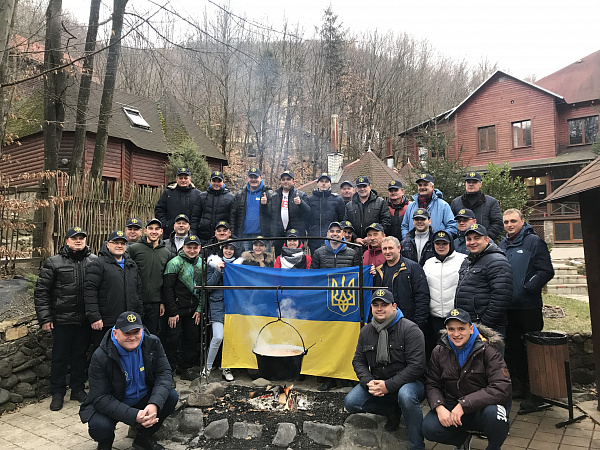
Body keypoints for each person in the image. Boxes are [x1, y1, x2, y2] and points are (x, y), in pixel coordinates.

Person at [79, 311, 178, 450]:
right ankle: (105, 443)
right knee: (99, 426)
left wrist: (154, 403)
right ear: (115, 333)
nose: (132, 337)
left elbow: (164, 373)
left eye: (136, 332)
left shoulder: (153, 343)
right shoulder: (100, 356)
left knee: (171, 396)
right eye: (127, 333)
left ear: (142, 330)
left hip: (142, 397)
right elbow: (100, 397)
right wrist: (134, 415)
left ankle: (143, 438)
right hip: (113, 401)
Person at [344, 288, 426, 449]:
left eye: (384, 305)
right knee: (351, 402)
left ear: (394, 306)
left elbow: (417, 366)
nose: (380, 308)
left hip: (409, 383)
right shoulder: (366, 331)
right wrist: (369, 382)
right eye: (376, 305)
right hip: (377, 381)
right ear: (372, 308)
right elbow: (358, 361)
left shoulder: (410, 329)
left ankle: (417, 445)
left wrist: (388, 386)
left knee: (406, 396)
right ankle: (391, 410)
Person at [422, 308, 511, 450]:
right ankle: (462, 440)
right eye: (451, 329)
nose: (456, 334)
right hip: (452, 405)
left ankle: (493, 447)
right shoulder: (439, 351)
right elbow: (432, 383)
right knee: (429, 428)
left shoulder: (488, 350)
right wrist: (439, 407)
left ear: (471, 328)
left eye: (461, 329)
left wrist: (465, 404)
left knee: (495, 417)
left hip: (481, 408)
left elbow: (501, 386)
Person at [34, 226, 97, 411]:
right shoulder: (54, 262)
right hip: (61, 320)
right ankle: (57, 393)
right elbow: (42, 292)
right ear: (67, 241)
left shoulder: (94, 262)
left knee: (80, 356)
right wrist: (45, 318)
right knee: (59, 358)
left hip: (84, 320)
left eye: (81, 238)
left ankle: (77, 389)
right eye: (74, 238)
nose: (78, 241)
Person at [499, 209, 554, 400]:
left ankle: (538, 390)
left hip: (528, 306)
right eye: (506, 222)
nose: (509, 225)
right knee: (513, 348)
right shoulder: (502, 245)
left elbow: (546, 270)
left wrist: (528, 287)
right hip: (508, 307)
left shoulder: (534, 242)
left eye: (513, 221)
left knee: (533, 348)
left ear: (522, 221)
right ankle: (519, 386)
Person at [311, 221, 361, 391]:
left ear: (343, 234)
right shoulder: (318, 252)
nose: (335, 234)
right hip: (324, 304)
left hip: (346, 304)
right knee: (326, 341)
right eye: (331, 231)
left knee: (347, 339)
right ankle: (329, 376)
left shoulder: (353, 252)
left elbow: (359, 275)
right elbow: (313, 278)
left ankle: (346, 374)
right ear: (327, 234)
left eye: (338, 231)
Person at [85, 230, 143, 353]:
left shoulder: (131, 265)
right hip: (106, 321)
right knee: (104, 353)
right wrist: (94, 317)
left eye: (122, 243)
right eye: (116, 242)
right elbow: (90, 291)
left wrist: (139, 314)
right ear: (108, 244)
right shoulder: (98, 264)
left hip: (128, 321)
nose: (119, 246)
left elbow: (138, 292)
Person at [454, 224, 513, 340]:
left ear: (486, 240)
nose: (472, 242)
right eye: (469, 239)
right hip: (469, 324)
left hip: (489, 328)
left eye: (477, 238)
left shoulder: (497, 261)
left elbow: (501, 298)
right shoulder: (468, 261)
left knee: (490, 358)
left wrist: (483, 326)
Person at [162, 235, 203, 380]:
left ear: (199, 248)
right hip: (176, 310)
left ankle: (185, 368)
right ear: (183, 248)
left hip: (193, 310)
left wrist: (199, 309)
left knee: (192, 338)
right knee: (173, 339)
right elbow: (167, 289)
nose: (192, 250)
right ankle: (169, 371)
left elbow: (204, 289)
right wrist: (172, 311)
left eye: (195, 247)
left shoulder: (201, 264)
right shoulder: (174, 263)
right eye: (189, 247)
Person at [423, 231, 467, 357]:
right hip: (434, 317)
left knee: (457, 350)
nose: (441, 246)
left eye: (444, 243)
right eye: (438, 243)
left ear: (451, 244)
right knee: (439, 351)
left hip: (456, 315)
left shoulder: (463, 259)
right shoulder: (428, 263)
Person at [372, 236, 429, 333]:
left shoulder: (413, 268)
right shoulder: (378, 271)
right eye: (384, 249)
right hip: (385, 325)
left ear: (399, 248)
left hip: (408, 323)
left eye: (390, 248)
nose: (387, 251)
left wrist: (418, 324)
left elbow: (422, 297)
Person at [128, 219, 173, 336]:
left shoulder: (166, 253)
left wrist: (162, 302)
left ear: (161, 231)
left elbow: (167, 280)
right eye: (151, 228)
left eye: (157, 229)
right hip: (136, 301)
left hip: (155, 303)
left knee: (151, 334)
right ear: (145, 231)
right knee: (133, 333)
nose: (154, 231)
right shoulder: (134, 249)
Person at [206, 241, 242, 381]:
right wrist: (218, 270)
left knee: (230, 339)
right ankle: (207, 368)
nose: (228, 251)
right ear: (222, 249)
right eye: (226, 248)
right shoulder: (212, 263)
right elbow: (208, 285)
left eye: (231, 249)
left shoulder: (239, 265)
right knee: (218, 337)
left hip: (233, 306)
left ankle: (226, 368)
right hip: (217, 305)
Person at [230, 167, 274, 252]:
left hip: (263, 236)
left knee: (264, 263)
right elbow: (233, 215)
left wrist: (266, 205)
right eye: (251, 177)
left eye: (256, 177)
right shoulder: (240, 194)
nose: (253, 180)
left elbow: (274, 216)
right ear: (247, 178)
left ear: (261, 178)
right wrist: (233, 234)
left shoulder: (269, 194)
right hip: (244, 236)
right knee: (245, 263)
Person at [451, 172, 503, 241]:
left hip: (484, 244)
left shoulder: (491, 202)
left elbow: (498, 223)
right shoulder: (456, 202)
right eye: (468, 182)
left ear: (480, 184)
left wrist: (483, 237)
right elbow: (452, 223)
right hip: (461, 244)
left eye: (474, 182)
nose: (471, 184)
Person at [401, 173, 457, 238]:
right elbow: (404, 226)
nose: (422, 187)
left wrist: (441, 239)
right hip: (414, 246)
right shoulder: (410, 206)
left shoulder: (443, 206)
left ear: (432, 187)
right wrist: (407, 239)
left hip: (435, 246)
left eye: (425, 185)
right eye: (420, 185)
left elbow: (452, 226)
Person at [269, 169, 310, 256]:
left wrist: (300, 203)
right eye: (283, 179)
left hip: (295, 236)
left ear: (293, 181)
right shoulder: (274, 196)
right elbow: (271, 218)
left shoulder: (301, 195)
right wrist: (272, 235)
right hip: (279, 236)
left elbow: (308, 213)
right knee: (279, 260)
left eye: (288, 179)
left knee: (297, 261)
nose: (285, 181)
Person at [344, 176, 391, 246]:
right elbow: (346, 224)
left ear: (370, 187)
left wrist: (371, 237)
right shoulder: (349, 205)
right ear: (356, 189)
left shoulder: (381, 202)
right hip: (354, 245)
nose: (362, 189)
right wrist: (355, 238)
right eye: (359, 187)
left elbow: (386, 222)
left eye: (364, 186)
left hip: (375, 245)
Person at [190, 170, 234, 244]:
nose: (216, 183)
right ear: (210, 181)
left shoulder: (231, 198)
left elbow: (233, 219)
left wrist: (231, 236)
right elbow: (195, 217)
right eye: (214, 181)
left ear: (223, 182)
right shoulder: (202, 197)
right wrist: (194, 234)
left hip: (223, 238)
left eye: (219, 181)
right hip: (204, 237)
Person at [155, 167, 201, 237]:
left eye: (186, 178)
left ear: (190, 180)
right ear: (177, 180)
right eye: (180, 178)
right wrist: (166, 225)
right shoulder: (168, 193)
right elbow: (159, 210)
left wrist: (194, 228)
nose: (183, 180)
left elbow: (201, 213)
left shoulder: (198, 194)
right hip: (170, 233)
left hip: (191, 234)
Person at [307, 173, 345, 255]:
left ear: (330, 184)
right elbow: (306, 218)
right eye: (321, 181)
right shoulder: (310, 199)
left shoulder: (338, 200)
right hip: (314, 238)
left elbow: (342, 219)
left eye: (326, 181)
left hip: (333, 239)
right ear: (317, 183)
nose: (324, 183)